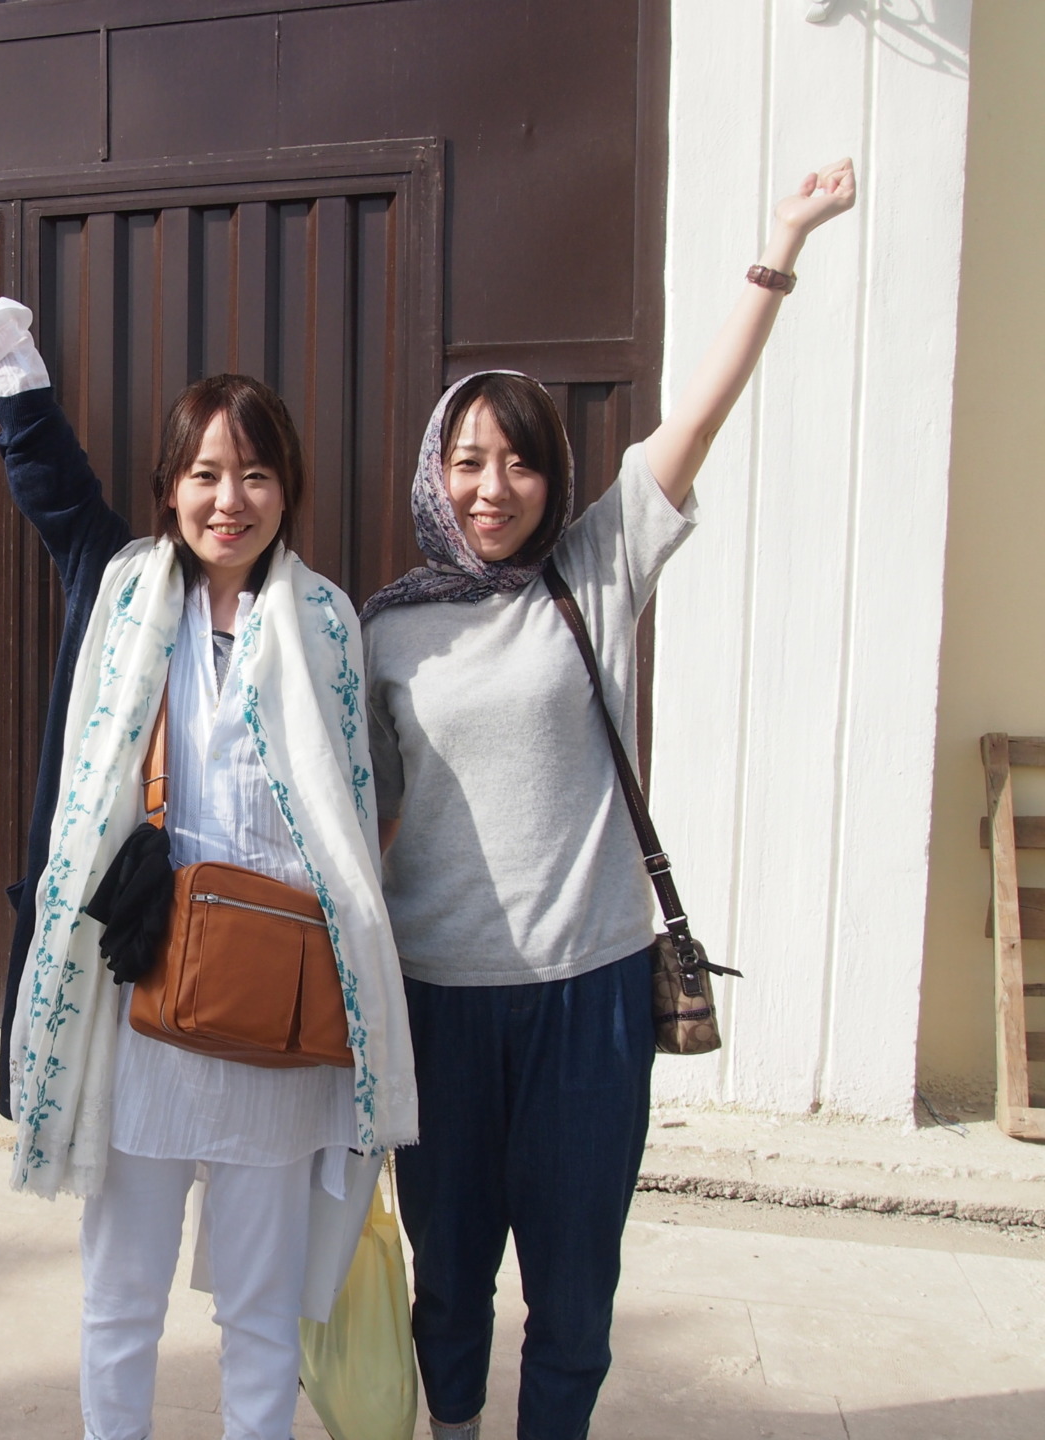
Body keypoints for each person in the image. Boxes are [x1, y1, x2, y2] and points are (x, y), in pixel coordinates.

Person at [0, 153, 416, 1440]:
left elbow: (359, 827)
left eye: (255, 475)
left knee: (261, 1316)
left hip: (279, 1026)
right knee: (120, 1302)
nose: (228, 500)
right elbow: (30, 432)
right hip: (143, 1005)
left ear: (287, 489)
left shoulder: (330, 627)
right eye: (205, 474)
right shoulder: (120, 587)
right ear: (169, 488)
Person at [360, 158, 859, 1440]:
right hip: (438, 999)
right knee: (448, 1280)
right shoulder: (384, 628)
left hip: (589, 995)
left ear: (553, 477)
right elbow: (369, 820)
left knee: (575, 1294)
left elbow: (699, 416)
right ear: (433, 471)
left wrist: (783, 244)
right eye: (468, 461)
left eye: (520, 463)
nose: (492, 488)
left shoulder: (595, 569)